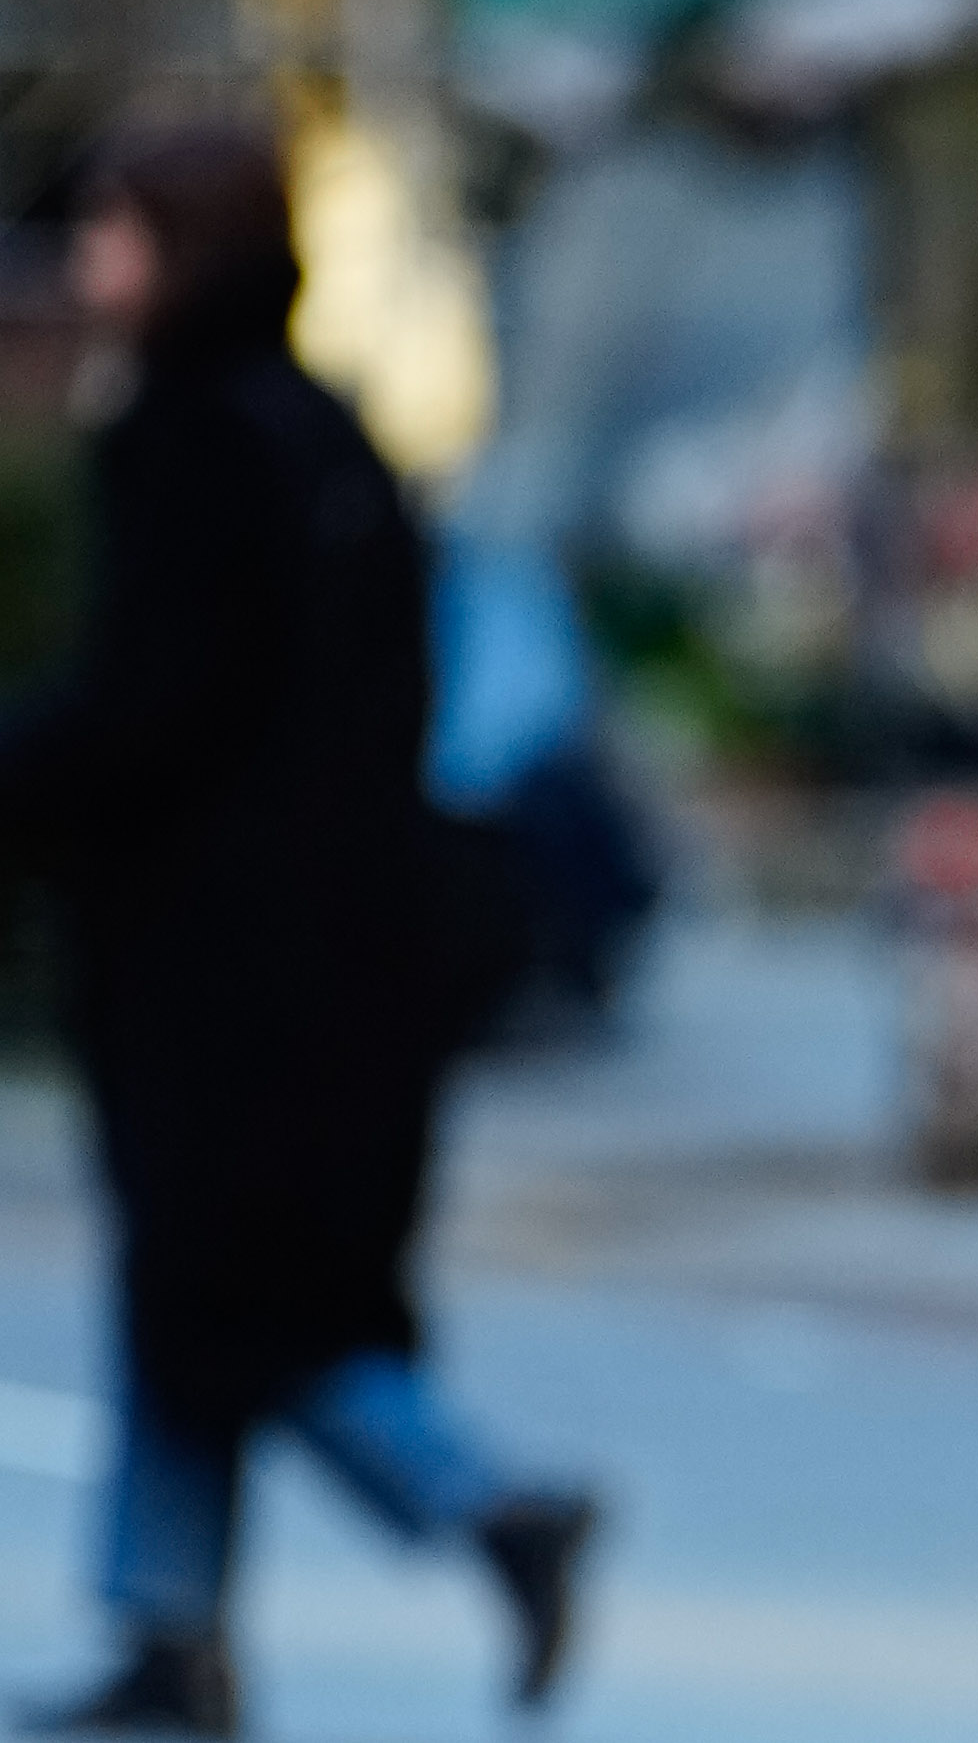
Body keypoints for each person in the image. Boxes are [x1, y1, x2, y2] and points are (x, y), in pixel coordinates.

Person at [0, 123, 597, 1736]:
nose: (86, 265)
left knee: (232, 1297)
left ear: (182, 249)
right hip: (352, 945)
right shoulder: (337, 438)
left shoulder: (183, 440)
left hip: (214, 958)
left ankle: (483, 1507)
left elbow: (150, 705)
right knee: (203, 1289)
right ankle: (167, 1624)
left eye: (113, 231)